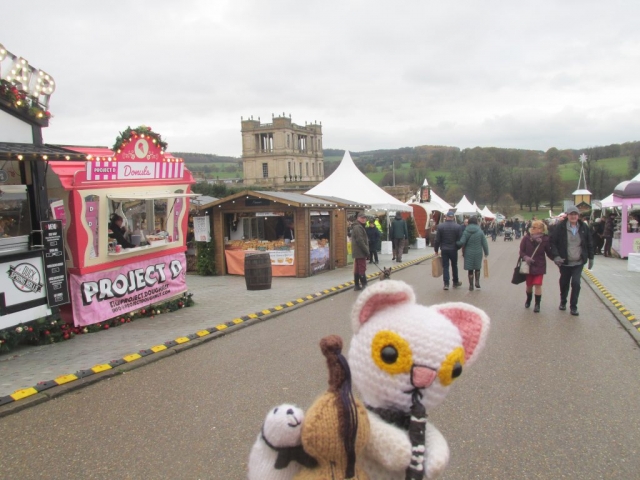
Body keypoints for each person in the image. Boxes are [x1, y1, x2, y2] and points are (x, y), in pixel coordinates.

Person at [549, 206, 595, 316]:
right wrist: (556, 256)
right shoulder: (560, 227)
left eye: (575, 214)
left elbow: (589, 242)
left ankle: (573, 306)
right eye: (571, 214)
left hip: (578, 262)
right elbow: (553, 243)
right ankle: (563, 301)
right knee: (564, 283)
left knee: (576, 283)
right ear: (567, 216)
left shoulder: (584, 227)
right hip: (564, 261)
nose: (573, 216)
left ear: (578, 216)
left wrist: (591, 257)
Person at [519, 220, 554, 312]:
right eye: (532, 227)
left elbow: (549, 252)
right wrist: (526, 257)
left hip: (540, 264)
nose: (532, 229)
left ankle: (537, 304)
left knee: (538, 284)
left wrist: (556, 259)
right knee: (529, 285)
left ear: (541, 229)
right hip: (529, 265)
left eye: (535, 227)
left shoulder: (545, 239)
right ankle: (528, 299)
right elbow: (521, 251)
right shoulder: (526, 238)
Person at [456, 216, 488, 291]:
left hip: (468, 252)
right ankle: (477, 281)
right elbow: (484, 243)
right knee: (477, 267)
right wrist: (486, 252)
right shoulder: (480, 231)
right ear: (476, 222)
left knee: (470, 269)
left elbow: (462, 242)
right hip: (478, 252)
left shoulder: (466, 231)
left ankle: (471, 285)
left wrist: (456, 243)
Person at [434, 210, 463, 290]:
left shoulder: (440, 226)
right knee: (454, 265)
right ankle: (455, 282)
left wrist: (436, 250)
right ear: (453, 217)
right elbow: (460, 240)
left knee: (445, 266)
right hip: (453, 249)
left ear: (446, 217)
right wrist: (457, 247)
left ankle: (446, 284)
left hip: (444, 249)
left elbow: (437, 240)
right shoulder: (458, 227)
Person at [351, 212, 370, 291]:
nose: (364, 219)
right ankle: (364, 284)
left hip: (358, 251)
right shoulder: (358, 227)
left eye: (365, 218)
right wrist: (367, 251)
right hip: (360, 251)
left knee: (358, 269)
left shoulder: (358, 226)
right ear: (358, 218)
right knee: (361, 268)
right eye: (362, 218)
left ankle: (357, 285)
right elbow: (360, 241)